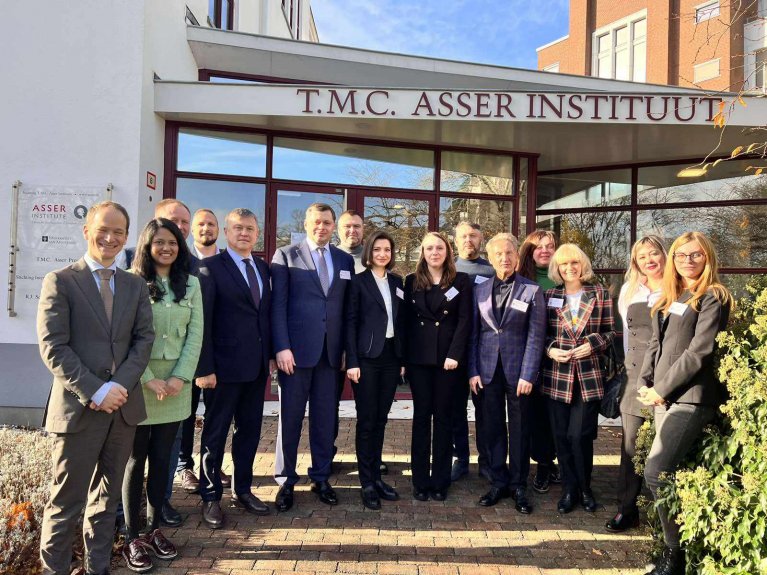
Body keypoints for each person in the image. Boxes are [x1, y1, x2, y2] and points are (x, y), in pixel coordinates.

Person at [37, 201, 154, 575]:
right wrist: (96, 390)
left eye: (119, 232)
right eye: (103, 229)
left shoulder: (135, 285)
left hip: (122, 409)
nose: (110, 238)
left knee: (106, 501)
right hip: (79, 411)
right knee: (65, 503)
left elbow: (144, 340)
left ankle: (97, 568)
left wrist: (117, 386)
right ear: (87, 230)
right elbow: (53, 347)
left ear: (126, 236)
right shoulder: (61, 281)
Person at [638, 232, 732, 575]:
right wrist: (645, 382)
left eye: (696, 255)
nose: (688, 261)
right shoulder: (672, 296)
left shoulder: (713, 296)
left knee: (655, 472)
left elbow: (698, 352)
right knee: (663, 475)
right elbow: (655, 344)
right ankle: (673, 550)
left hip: (689, 398)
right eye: (681, 255)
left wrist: (661, 389)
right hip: (662, 397)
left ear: (708, 258)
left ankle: (675, 556)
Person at [121, 218, 203, 572]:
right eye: (159, 243)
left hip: (176, 388)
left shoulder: (192, 284)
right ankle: (131, 536)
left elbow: (195, 335)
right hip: (140, 384)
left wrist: (181, 377)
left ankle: (154, 530)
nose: (166, 248)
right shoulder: (132, 282)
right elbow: (125, 336)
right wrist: (148, 378)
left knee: (162, 459)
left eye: (172, 242)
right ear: (147, 246)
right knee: (135, 460)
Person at [272, 203, 355, 511]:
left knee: (325, 420)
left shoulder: (344, 259)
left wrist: (346, 350)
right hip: (295, 355)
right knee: (290, 420)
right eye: (316, 222)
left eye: (327, 222)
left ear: (334, 226)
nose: (322, 227)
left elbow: (347, 310)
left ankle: (321, 477)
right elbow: (278, 306)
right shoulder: (286, 255)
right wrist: (281, 346)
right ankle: (285, 481)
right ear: (306, 224)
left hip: (330, 355)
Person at [195, 208, 274, 528]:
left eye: (250, 229)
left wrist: (270, 356)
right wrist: (204, 368)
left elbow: (264, 316)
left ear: (257, 234)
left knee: (249, 432)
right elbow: (201, 321)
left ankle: (243, 489)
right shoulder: (210, 268)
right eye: (238, 228)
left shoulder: (263, 268)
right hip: (222, 370)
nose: (244, 233)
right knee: (215, 434)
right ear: (226, 232)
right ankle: (210, 496)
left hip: (256, 368)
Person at [468, 233, 546, 513]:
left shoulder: (532, 290)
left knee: (520, 429)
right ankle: (498, 481)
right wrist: (473, 370)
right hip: (487, 371)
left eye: (509, 253)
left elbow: (536, 336)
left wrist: (529, 374)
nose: (505, 258)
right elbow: (473, 334)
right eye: (499, 254)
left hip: (519, 373)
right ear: (490, 259)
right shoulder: (479, 290)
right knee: (492, 427)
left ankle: (518, 485)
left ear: (517, 257)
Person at [542, 244, 615, 514]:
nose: (569, 268)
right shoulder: (550, 295)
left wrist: (593, 344)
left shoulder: (600, 293)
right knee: (561, 436)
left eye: (574, 262)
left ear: (582, 265)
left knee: (580, 436)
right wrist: (551, 349)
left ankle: (585, 488)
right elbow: (540, 333)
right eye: (563, 264)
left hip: (588, 376)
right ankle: (569, 489)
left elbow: (611, 332)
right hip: (557, 376)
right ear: (557, 269)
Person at [403, 232, 472, 502]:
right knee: (421, 418)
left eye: (439, 248)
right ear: (422, 252)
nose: (434, 252)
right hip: (419, 359)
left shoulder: (460, 280)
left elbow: (465, 320)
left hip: (448, 361)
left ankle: (441, 481)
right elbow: (406, 321)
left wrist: (455, 354)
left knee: (443, 419)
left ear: (448, 251)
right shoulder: (411, 281)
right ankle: (420, 481)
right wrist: (404, 359)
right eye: (429, 248)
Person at [605, 235, 667, 533]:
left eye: (653, 253)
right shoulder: (630, 290)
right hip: (635, 375)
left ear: (664, 255)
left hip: (668, 375)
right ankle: (626, 509)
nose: (649, 260)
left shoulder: (678, 288)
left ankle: (666, 513)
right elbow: (628, 339)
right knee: (630, 446)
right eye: (642, 256)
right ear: (635, 262)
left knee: (664, 444)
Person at [345, 231, 404, 510]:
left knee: (381, 419)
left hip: (391, 357)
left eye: (387, 250)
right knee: (367, 421)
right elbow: (350, 323)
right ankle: (366, 482)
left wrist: (402, 357)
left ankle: (377, 478)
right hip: (367, 359)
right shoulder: (358, 282)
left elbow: (401, 321)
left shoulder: (397, 282)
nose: (382, 254)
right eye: (378, 249)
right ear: (369, 252)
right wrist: (352, 361)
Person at [517, 230, 561, 493]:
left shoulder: (565, 279)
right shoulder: (522, 282)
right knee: (536, 416)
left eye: (550, 246)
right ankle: (543, 464)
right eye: (538, 246)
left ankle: (556, 460)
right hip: (531, 359)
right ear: (529, 251)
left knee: (556, 415)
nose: (544, 250)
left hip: (561, 360)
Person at [451, 222, 494, 482]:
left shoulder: (491, 271)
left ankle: (486, 460)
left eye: (474, 236)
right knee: (456, 408)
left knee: (484, 409)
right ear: (455, 240)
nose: (468, 240)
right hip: (455, 350)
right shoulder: (449, 269)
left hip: (483, 351)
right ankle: (460, 458)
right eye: (464, 236)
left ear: (481, 239)